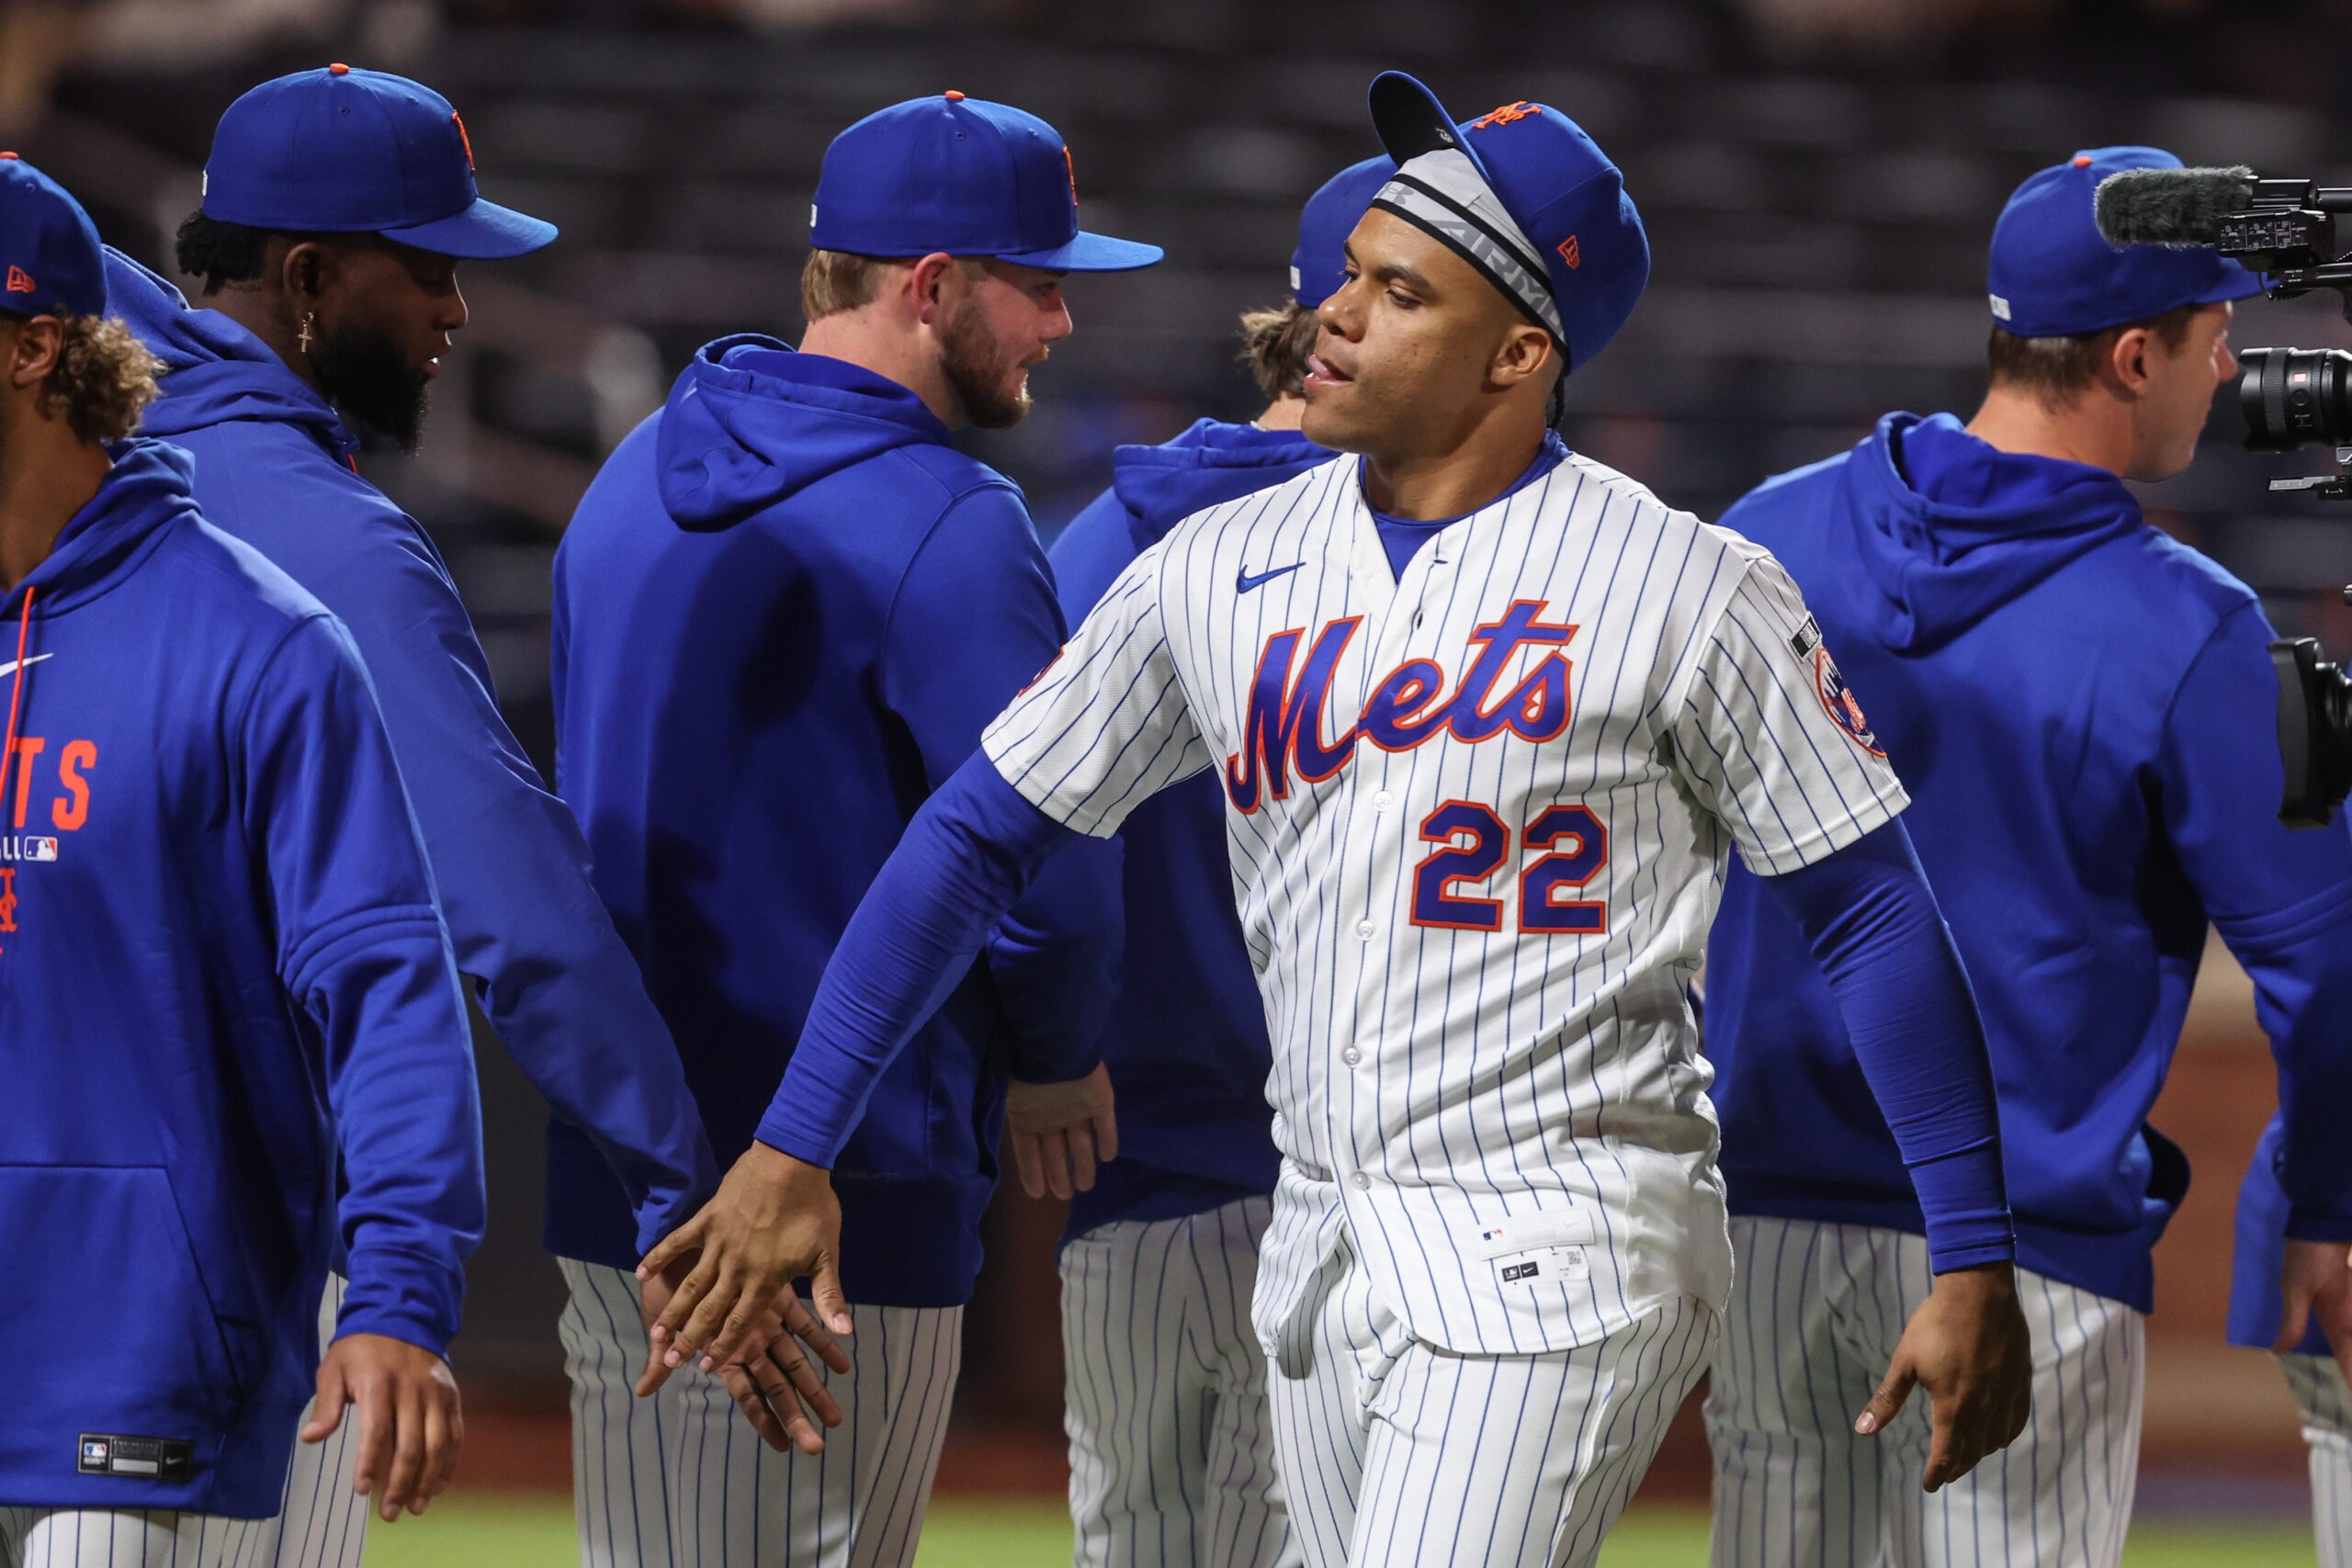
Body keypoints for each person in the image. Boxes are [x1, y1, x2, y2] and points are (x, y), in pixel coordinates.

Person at [644, 72, 2036, 1568]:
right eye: (1350, 275)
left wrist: (1972, 1248)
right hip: (1320, 1246)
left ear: (1519, 351)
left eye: (1398, 291)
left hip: (1572, 1232)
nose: (1338, 316)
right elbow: (981, 835)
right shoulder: (1222, 563)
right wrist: (794, 1146)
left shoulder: (1689, 586)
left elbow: (1874, 909)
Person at [98, 64, 829, 1564]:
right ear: (306, 278)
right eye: (424, 266)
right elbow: (519, 927)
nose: (458, 309)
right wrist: (685, 1190)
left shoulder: (79, 440)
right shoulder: (331, 548)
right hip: (207, 1249)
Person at [1702, 145, 2352, 1568]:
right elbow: (2326, 962)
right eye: (2212, 331)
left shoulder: (1759, 537)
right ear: (2134, 356)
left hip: (1764, 1232)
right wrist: (2331, 1205)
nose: (2231, 360)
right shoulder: (2193, 627)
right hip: (2023, 1254)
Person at [556, 90, 1151, 1568]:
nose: (1062, 326)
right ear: (931, 286)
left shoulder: (633, 473)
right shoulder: (949, 523)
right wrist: (1056, 1053)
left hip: (618, 1169)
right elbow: (1047, 867)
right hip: (828, 1192)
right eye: (1042, 284)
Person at [0, 152, 481, 1564]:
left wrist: (397, 1293)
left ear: (35, 349)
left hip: (140, 1375)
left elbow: (389, 989)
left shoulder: (257, 645)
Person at [1046, 150, 1389, 1568]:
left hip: (1122, 1195)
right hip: (1338, 1193)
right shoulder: (1412, 569)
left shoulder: (1093, 546)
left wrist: (1043, 1052)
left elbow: (1019, 856)